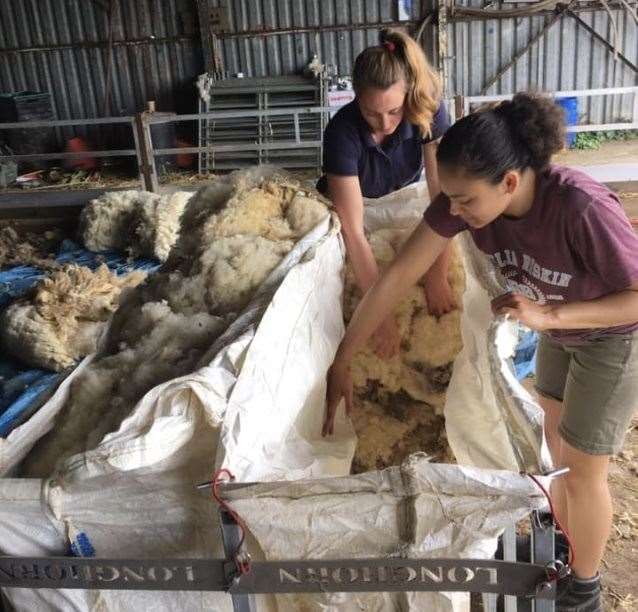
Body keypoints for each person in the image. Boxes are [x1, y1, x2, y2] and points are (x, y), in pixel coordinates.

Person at [323, 92, 638, 612]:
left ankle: (584, 588)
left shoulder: (580, 207)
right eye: (448, 196)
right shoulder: (468, 205)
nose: (453, 210)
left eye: (464, 199)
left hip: (612, 338)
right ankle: (566, 543)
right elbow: (398, 275)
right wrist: (343, 358)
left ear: (509, 183)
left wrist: (549, 316)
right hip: (561, 331)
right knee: (556, 453)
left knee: (585, 470)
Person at [318, 28, 454, 359]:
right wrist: (379, 318)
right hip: (355, 204)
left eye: (394, 111)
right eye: (371, 113)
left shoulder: (428, 111)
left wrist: (438, 275)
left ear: (408, 94)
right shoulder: (341, 133)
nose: (384, 123)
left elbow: (444, 197)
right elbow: (353, 229)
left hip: (403, 192)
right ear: (356, 99)